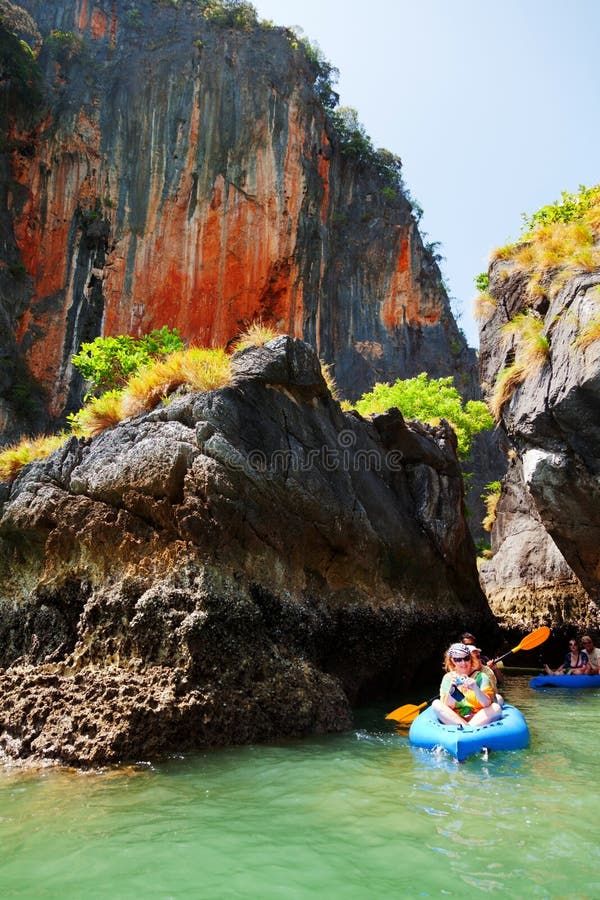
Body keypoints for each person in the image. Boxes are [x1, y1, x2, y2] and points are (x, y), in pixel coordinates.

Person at [432, 642, 503, 727]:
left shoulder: (482, 676)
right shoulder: (448, 678)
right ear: (452, 660)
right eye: (458, 660)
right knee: (436, 703)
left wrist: (476, 688)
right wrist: (453, 690)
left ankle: (467, 729)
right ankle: (467, 728)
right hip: (456, 718)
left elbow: (486, 704)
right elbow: (448, 706)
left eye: (466, 658)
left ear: (471, 658)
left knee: (496, 707)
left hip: (478, 717)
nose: (463, 663)